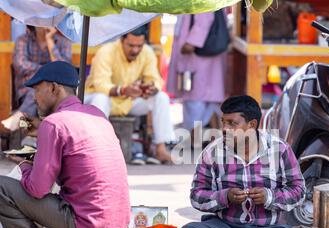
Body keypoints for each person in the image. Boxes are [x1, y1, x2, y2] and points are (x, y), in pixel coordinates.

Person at [0, 61, 130, 228]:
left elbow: (37, 188)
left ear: (53, 88)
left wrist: (23, 164)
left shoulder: (54, 123)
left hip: (89, 223)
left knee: (2, 187)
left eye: (37, 90)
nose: (35, 98)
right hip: (117, 224)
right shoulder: (96, 114)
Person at [178, 95, 310, 228]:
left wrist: (269, 197)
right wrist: (225, 197)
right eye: (223, 122)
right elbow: (197, 195)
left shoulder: (279, 150)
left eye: (233, 123)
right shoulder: (212, 153)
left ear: (252, 124)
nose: (225, 129)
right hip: (226, 227)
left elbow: (299, 191)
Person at [85, 26, 175, 164]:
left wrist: (150, 89)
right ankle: (98, 149)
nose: (135, 50)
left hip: (129, 101)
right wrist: (123, 90)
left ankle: (160, 148)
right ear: (122, 40)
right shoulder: (106, 51)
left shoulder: (147, 52)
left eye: (139, 46)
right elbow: (100, 85)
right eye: (131, 45)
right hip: (103, 100)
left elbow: (155, 80)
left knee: (161, 97)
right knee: (100, 99)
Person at [0, 26, 72, 135]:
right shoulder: (23, 40)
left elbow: (63, 70)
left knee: (43, 90)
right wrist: (47, 73)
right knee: (35, 89)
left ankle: (20, 117)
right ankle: (24, 121)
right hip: (26, 91)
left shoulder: (64, 42)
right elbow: (21, 65)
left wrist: (50, 41)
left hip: (54, 94)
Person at [167, 11, 227, 140]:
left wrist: (192, 42)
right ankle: (198, 135)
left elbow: (205, 17)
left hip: (198, 53)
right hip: (202, 52)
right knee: (204, 96)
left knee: (196, 95)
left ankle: (193, 137)